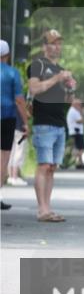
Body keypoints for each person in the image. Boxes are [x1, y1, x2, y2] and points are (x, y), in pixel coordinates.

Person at [28, 29, 74, 221]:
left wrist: (70, 88)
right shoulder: (37, 65)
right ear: (44, 46)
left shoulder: (60, 68)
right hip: (44, 122)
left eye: (59, 43)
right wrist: (56, 78)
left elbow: (66, 101)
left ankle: (48, 207)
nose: (56, 46)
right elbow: (34, 88)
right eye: (52, 43)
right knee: (44, 165)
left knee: (52, 167)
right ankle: (42, 210)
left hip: (59, 123)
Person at [1, 39, 32, 209]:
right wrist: (26, 123)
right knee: (3, 159)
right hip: (6, 118)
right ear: (7, 55)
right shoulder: (13, 73)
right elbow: (19, 100)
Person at [7, 110, 29, 186]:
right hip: (19, 129)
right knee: (19, 151)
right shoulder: (20, 99)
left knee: (11, 151)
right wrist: (26, 125)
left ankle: (10, 177)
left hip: (8, 127)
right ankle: (15, 177)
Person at [65, 97, 84, 169]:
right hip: (76, 132)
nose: (80, 106)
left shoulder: (74, 111)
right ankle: (72, 160)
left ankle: (80, 163)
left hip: (76, 132)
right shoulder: (73, 111)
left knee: (79, 148)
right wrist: (83, 113)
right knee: (80, 148)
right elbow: (82, 121)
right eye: (79, 104)